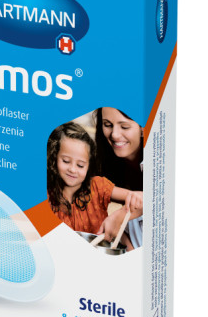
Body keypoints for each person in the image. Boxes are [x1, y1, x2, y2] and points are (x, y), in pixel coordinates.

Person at [47, 122, 141, 244]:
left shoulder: (97, 186)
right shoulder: (44, 197)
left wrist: (119, 216)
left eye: (80, 165)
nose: (73, 169)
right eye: (66, 161)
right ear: (54, 158)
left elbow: (141, 199)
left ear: (89, 165)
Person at [94, 107, 144, 249]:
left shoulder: (159, 162)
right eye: (107, 125)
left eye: (124, 127)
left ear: (143, 128)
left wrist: (122, 215)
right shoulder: (102, 166)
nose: (114, 134)